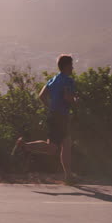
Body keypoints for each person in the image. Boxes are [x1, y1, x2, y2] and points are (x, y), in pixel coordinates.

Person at [11, 54, 77, 183]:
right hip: (61, 117)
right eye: (71, 65)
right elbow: (67, 97)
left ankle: (69, 176)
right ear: (67, 66)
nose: (73, 67)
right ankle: (24, 146)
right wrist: (76, 100)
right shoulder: (68, 81)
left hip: (54, 116)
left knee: (65, 144)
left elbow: (41, 96)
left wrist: (51, 108)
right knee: (54, 148)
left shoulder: (52, 80)